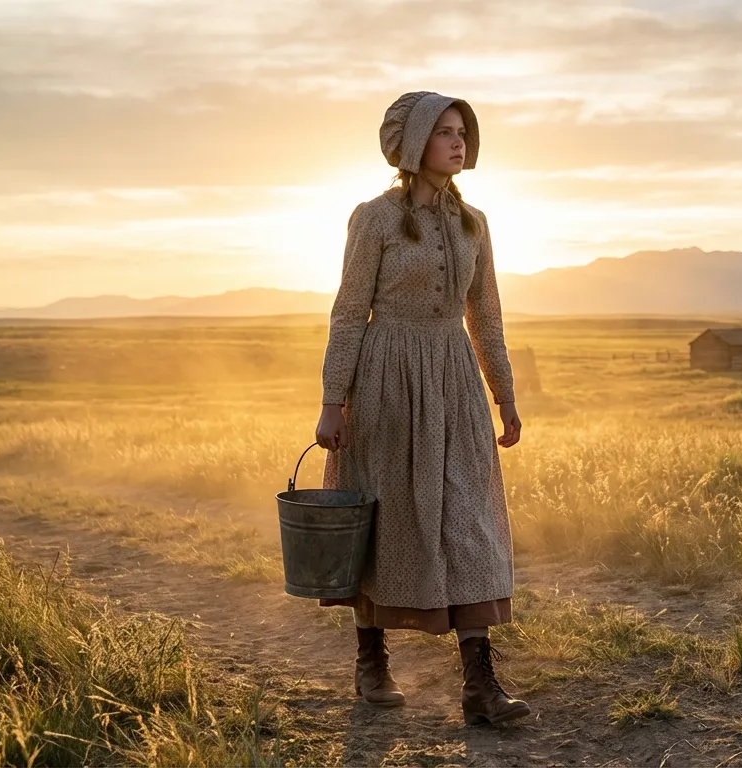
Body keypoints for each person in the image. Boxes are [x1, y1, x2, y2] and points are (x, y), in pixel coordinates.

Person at [314, 91, 528, 725]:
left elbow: (484, 312)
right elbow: (350, 310)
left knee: (467, 519)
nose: (458, 142)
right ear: (411, 145)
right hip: (385, 379)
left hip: (454, 380)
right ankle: (371, 664)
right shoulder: (374, 219)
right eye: (443, 132)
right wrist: (333, 400)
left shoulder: (474, 222)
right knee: (384, 519)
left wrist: (505, 395)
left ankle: (479, 685)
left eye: (462, 131)